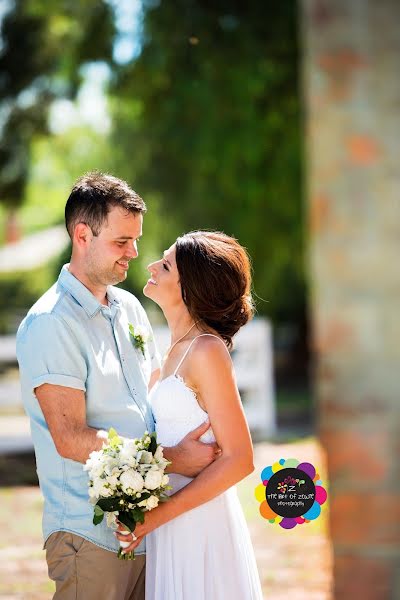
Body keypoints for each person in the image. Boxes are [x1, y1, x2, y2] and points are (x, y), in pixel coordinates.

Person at [16, 172, 218, 600]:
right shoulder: (53, 322)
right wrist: (172, 460)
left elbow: (151, 397)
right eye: (122, 241)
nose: (135, 253)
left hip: (148, 530)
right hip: (90, 535)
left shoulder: (128, 306)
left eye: (136, 240)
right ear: (82, 235)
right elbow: (70, 439)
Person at [116, 231, 263, 599]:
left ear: (188, 290)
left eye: (165, 265)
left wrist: (155, 518)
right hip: (169, 527)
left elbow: (240, 458)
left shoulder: (206, 350)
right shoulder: (170, 351)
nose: (151, 266)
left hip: (199, 524)